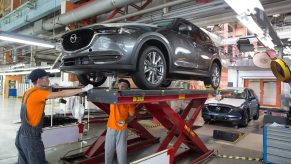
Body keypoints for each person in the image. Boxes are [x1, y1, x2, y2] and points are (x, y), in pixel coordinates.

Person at [15, 68, 93, 164]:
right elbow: (61, 94)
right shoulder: (38, 94)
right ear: (39, 80)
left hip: (21, 134)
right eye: (46, 78)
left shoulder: (29, 92)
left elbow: (48, 89)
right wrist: (83, 89)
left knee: (23, 162)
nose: (48, 80)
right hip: (31, 137)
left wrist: (53, 86)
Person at [105, 79, 136, 164]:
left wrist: (125, 121)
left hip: (122, 129)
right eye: (120, 86)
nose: (121, 88)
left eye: (124, 87)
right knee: (108, 151)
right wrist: (113, 81)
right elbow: (109, 90)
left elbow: (132, 116)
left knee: (121, 152)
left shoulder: (130, 101)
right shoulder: (113, 96)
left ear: (128, 89)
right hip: (111, 127)